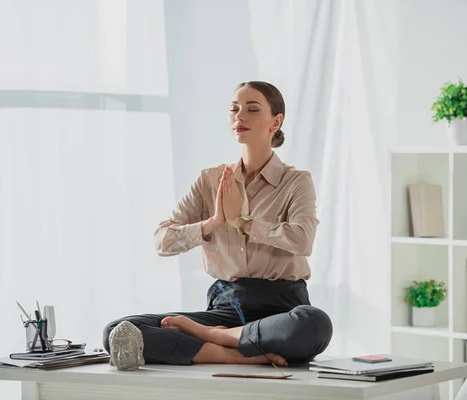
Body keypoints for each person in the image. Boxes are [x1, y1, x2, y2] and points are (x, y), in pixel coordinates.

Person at [103, 81, 333, 367]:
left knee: (314, 324)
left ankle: (215, 337)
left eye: (252, 109)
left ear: (276, 121)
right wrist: (213, 223)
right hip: (226, 308)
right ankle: (230, 351)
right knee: (119, 331)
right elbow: (162, 241)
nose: (240, 116)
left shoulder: (297, 181)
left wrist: (243, 222)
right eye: (234, 109)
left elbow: (302, 240)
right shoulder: (209, 181)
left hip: (282, 309)